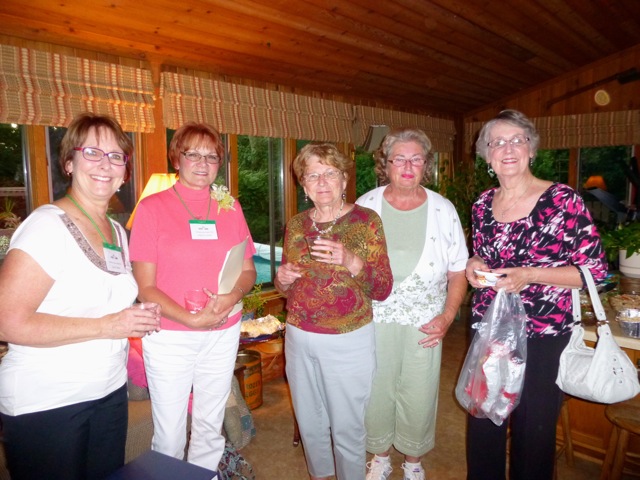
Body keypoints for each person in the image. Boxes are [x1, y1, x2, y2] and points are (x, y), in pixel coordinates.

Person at [0, 112, 161, 480]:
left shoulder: (117, 231)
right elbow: (7, 322)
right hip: (48, 400)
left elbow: (100, 300)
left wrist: (136, 315)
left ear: (125, 171)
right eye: (92, 152)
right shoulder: (46, 226)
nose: (105, 164)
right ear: (69, 163)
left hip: (109, 391)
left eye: (116, 156)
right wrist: (110, 325)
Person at [465, 109, 607, 480]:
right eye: (498, 142)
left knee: (533, 433)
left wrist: (530, 275)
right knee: (483, 423)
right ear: (487, 155)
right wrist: (473, 264)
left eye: (518, 140)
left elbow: (594, 271)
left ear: (531, 149)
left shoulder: (563, 200)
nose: (508, 148)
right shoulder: (481, 204)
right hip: (491, 329)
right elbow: (482, 254)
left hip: (544, 334)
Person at [128, 122, 256, 472]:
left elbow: (248, 271)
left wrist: (232, 296)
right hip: (170, 336)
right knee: (169, 433)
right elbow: (144, 286)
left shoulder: (230, 207)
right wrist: (191, 319)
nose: (203, 163)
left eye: (211, 156)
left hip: (223, 331)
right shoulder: (152, 208)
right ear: (177, 158)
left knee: (210, 425)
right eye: (193, 154)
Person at [275, 143, 393, 480]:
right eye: (313, 175)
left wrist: (350, 260)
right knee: (310, 423)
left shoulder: (366, 221)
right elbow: (285, 286)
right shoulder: (297, 224)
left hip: (348, 340)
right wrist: (282, 279)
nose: (322, 181)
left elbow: (383, 288)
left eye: (330, 173)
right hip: (298, 337)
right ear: (304, 184)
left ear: (344, 179)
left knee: (347, 427)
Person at [356, 128, 468, 480]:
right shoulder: (365, 205)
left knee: (419, 391)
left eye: (416, 159)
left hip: (426, 320)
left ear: (426, 165)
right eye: (399, 159)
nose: (407, 167)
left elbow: (458, 271)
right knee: (376, 388)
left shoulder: (444, 209)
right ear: (385, 164)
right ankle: (379, 456)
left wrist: (448, 316)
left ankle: (413, 461)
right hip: (374, 318)